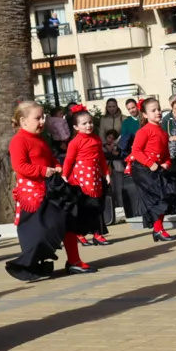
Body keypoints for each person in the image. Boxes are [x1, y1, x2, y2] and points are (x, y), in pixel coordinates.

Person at [6, 101, 77, 281]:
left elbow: (49, 157)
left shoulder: (39, 139)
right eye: (38, 118)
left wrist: (57, 166)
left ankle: (73, 260)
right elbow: (20, 166)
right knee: (39, 232)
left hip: (47, 189)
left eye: (43, 117)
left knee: (62, 220)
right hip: (32, 195)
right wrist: (43, 170)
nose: (42, 121)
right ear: (23, 121)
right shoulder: (18, 141)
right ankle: (29, 264)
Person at [129, 96, 176, 242]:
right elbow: (136, 151)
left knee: (169, 193)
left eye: (159, 109)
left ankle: (158, 230)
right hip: (143, 169)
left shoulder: (162, 132)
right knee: (158, 196)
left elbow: (166, 154)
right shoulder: (144, 131)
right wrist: (150, 163)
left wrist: (166, 163)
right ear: (144, 114)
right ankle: (158, 229)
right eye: (153, 110)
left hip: (157, 168)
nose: (158, 112)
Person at [62, 104, 109, 256]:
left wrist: (106, 173)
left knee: (96, 206)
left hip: (95, 175)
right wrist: (64, 175)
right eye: (84, 123)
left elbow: (101, 157)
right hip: (81, 177)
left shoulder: (96, 138)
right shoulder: (75, 142)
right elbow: (69, 160)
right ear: (76, 127)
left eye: (90, 122)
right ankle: (79, 234)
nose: (88, 125)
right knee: (83, 206)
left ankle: (97, 233)